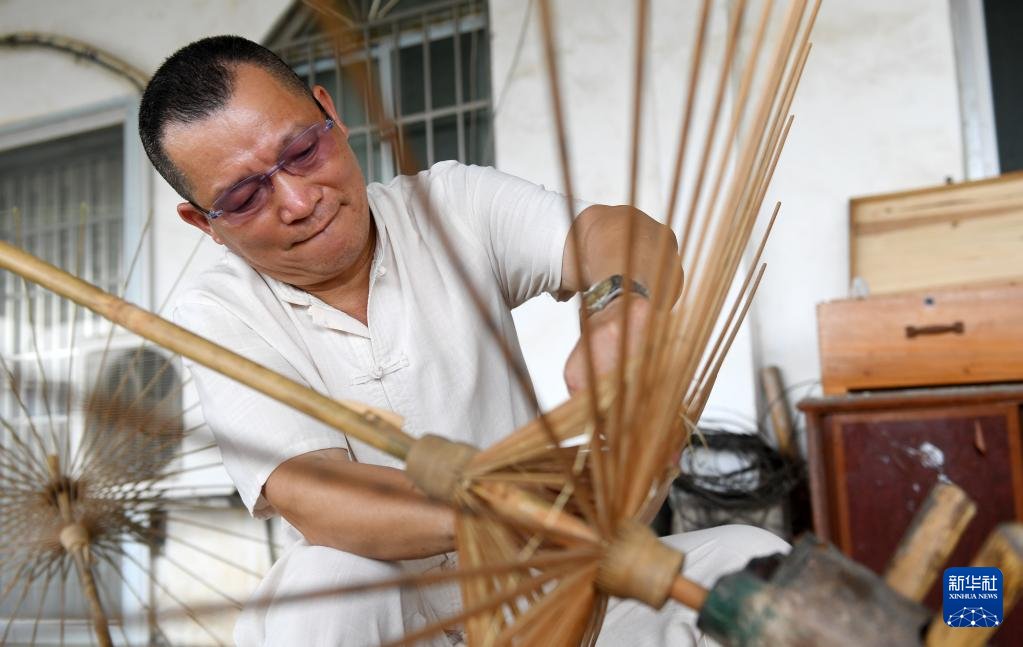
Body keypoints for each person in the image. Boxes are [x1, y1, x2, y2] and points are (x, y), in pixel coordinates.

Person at [139, 35, 788, 647]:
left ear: (329, 113)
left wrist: (620, 307)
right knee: (324, 582)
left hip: (555, 589)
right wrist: (521, 508)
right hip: (395, 620)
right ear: (205, 223)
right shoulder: (218, 313)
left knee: (753, 563)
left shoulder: (448, 206)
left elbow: (615, 233)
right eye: (245, 197)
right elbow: (314, 494)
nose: (299, 200)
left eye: (304, 151)